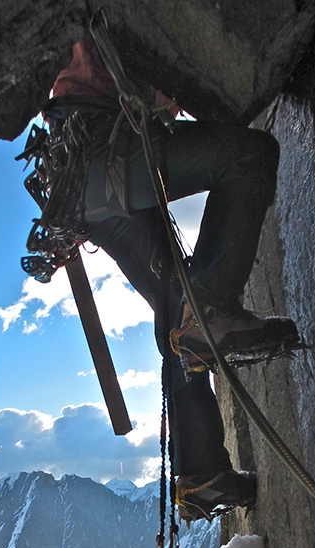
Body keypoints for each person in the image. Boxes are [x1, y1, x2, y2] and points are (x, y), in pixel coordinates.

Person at [42, 37, 299, 522]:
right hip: (106, 158)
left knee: (179, 313)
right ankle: (212, 312)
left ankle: (203, 475)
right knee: (249, 155)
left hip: (84, 186)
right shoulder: (111, 29)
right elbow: (177, 77)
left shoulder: (75, 45)